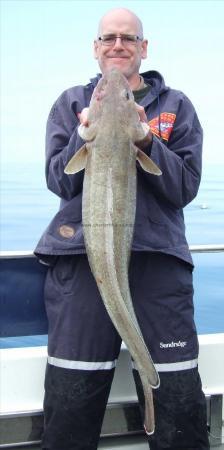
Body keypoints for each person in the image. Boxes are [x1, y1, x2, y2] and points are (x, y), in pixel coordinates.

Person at [35, 7, 210, 450]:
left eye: (128, 38)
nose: (118, 45)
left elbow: (185, 187)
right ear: (96, 49)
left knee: (178, 400)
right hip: (80, 267)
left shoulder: (176, 106)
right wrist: (85, 134)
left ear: (143, 47)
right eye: (109, 37)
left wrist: (147, 140)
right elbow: (59, 179)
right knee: (70, 404)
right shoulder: (72, 103)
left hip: (158, 266)